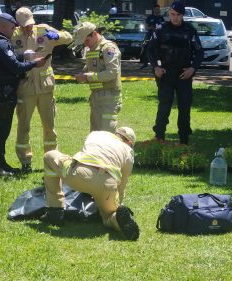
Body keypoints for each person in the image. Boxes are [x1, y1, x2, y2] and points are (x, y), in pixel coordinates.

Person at [41, 127, 139, 241]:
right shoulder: (128, 151)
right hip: (107, 184)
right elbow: (122, 185)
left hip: (80, 175)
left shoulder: (97, 134)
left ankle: (55, 209)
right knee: (108, 217)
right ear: (130, 143)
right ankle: (116, 220)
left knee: (49, 156)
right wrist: (118, 205)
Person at [0, 13, 46, 177]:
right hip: (2, 93)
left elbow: (11, 61)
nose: (14, 30)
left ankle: (1, 163)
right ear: (2, 27)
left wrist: (23, 55)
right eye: (12, 27)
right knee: (0, 131)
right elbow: (15, 67)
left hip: (2, 92)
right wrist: (34, 63)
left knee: (2, 130)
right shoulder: (0, 44)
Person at [12, 7, 73, 173]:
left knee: (49, 126)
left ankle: (52, 159)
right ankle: (25, 161)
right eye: (24, 25)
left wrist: (58, 36)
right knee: (23, 126)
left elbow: (69, 38)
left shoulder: (44, 30)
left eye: (30, 24)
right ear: (18, 24)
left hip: (46, 87)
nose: (28, 27)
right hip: (25, 87)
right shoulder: (14, 35)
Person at [147, 1, 204, 145]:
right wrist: (155, 67)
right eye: (172, 14)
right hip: (165, 73)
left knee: (184, 108)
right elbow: (150, 50)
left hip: (183, 74)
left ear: (182, 15)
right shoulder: (161, 29)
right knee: (164, 106)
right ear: (169, 14)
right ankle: (159, 137)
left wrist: (193, 69)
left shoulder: (190, 30)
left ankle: (184, 140)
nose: (175, 17)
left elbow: (199, 52)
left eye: (178, 15)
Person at [73, 22, 122, 133]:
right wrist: (83, 74)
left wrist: (87, 77)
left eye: (87, 41)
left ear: (94, 34)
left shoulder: (108, 48)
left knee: (107, 135)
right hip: (96, 97)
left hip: (109, 97)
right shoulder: (92, 50)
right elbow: (93, 67)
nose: (86, 44)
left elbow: (111, 73)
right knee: (95, 136)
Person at [139, 4, 165, 69]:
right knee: (146, 47)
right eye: (156, 9)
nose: (157, 10)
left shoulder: (161, 18)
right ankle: (145, 64)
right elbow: (146, 26)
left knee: (160, 49)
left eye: (158, 9)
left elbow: (164, 26)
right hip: (150, 34)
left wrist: (159, 28)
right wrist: (152, 28)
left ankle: (160, 64)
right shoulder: (150, 17)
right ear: (153, 10)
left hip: (159, 35)